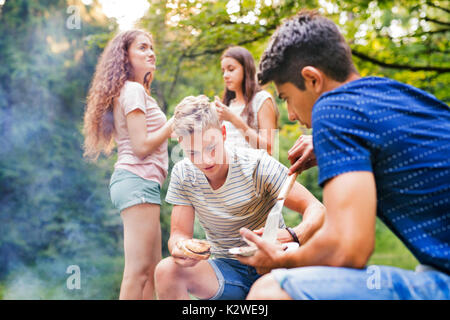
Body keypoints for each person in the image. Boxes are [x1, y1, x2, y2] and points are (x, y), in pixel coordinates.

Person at [237, 10, 450, 300]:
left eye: (286, 97)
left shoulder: (333, 108)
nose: (290, 115)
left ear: (312, 79)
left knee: (270, 291)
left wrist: (281, 260)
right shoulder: (390, 92)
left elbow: (348, 247)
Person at [154, 95, 325, 300]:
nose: (206, 160)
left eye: (211, 147)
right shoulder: (184, 174)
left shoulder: (256, 165)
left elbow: (316, 209)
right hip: (225, 271)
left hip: (271, 265)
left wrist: (293, 235)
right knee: (166, 270)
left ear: (223, 133)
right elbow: (178, 235)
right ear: (181, 145)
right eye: (193, 153)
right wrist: (181, 249)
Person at [82, 29, 173, 299]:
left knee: (153, 271)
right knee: (137, 272)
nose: (151, 52)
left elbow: (151, 140)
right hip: (137, 180)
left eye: (151, 47)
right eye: (142, 48)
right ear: (125, 56)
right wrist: (173, 122)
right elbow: (141, 146)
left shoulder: (135, 91)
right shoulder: (133, 90)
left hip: (142, 183)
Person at [214, 46, 279, 155]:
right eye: (223, 71)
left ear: (246, 69)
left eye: (231, 69)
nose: (225, 75)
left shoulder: (262, 99)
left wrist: (233, 119)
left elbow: (268, 148)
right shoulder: (228, 105)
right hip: (229, 170)